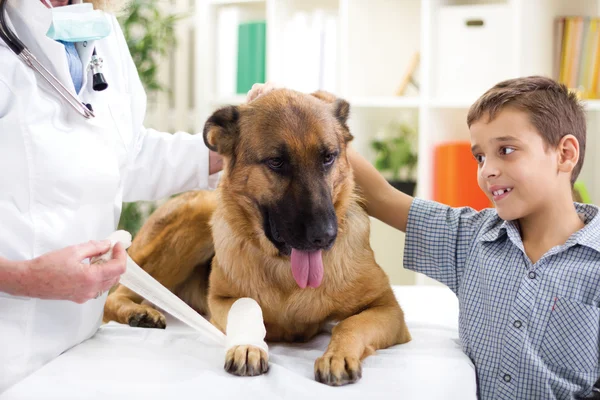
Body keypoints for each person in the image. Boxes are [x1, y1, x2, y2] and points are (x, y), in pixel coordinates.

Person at [248, 77, 600, 399]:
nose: (487, 170)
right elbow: (384, 197)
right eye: (479, 156)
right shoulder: (471, 239)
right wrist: (304, 114)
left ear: (565, 154)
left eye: (505, 150)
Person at [0, 0, 222, 392]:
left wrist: (230, 148)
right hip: (9, 349)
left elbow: (124, 155)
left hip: (78, 345)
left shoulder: (98, 28)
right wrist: (23, 279)